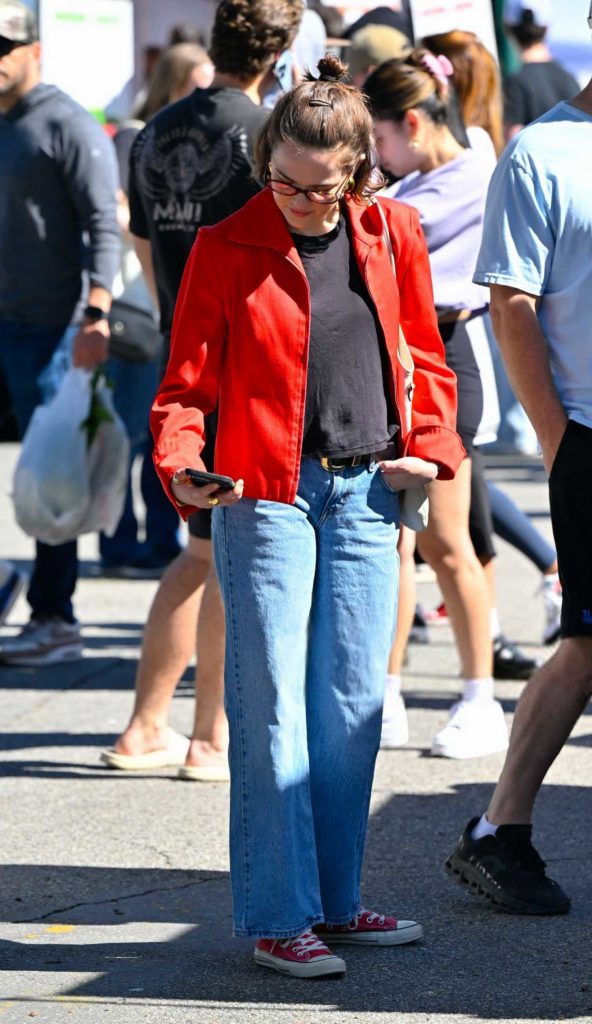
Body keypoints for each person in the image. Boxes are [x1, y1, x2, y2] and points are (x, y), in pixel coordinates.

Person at [151, 53, 464, 977]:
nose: (299, 199)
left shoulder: (393, 230)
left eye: (321, 188)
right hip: (264, 494)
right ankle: (277, 916)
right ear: (265, 161)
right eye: (282, 180)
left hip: (369, 491)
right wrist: (184, 465)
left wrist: (434, 446)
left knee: (351, 707)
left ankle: (335, 901)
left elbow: (425, 359)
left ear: (360, 171)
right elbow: (182, 390)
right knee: (274, 708)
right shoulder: (224, 244)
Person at [100, 0, 304, 781]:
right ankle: (205, 734)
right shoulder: (270, 134)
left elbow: (148, 245)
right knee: (222, 552)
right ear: (280, 49)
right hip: (244, 366)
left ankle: (149, 726)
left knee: (201, 549)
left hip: (181, 352)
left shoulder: (155, 130)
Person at [445, 10, 592, 916]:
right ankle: (502, 827)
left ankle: (501, 830)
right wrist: (557, 437)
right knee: (585, 645)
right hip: (587, 432)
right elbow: (509, 304)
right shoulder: (544, 154)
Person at [365, 52, 512, 759]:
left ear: (414, 122)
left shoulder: (468, 180)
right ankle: (386, 694)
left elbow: (380, 227)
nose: (375, 157)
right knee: (402, 543)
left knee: (446, 546)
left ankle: (480, 698)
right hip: (404, 365)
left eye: (380, 140)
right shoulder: (433, 177)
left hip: (441, 365)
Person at [0, 0, 119, 666]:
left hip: (52, 329)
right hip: (3, 322)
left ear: (34, 51)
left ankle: (55, 616)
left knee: (53, 479)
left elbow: (104, 223)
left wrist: (96, 312)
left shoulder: (66, 123)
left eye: (4, 48)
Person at [99, 42, 216, 577]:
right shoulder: (137, 138)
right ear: (175, 82)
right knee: (129, 432)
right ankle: (122, 541)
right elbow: (117, 220)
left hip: (163, 305)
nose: (207, 95)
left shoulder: (190, 137)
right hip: (137, 304)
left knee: (157, 434)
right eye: (199, 82)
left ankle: (158, 538)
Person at [503, 0, 579, 139]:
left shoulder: (515, 83)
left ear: (508, 28)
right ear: (547, 27)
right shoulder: (569, 79)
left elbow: (512, 140)